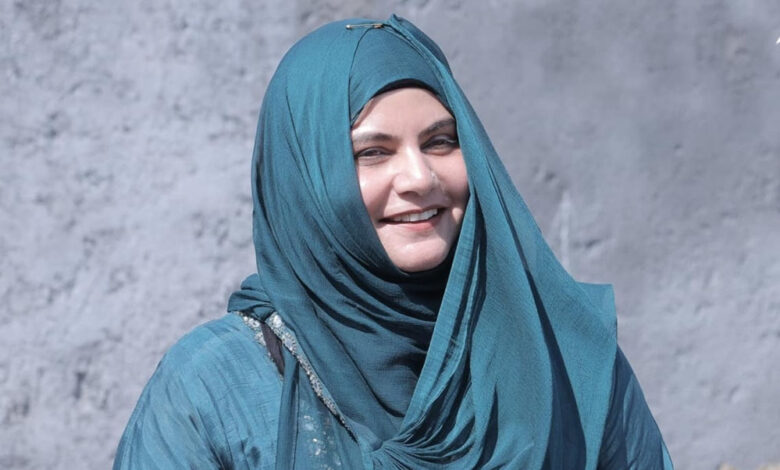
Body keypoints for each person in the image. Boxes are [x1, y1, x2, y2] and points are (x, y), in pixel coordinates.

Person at [113, 15, 673, 469]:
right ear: (304, 179)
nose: (420, 178)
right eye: (372, 152)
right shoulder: (215, 387)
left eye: (441, 142)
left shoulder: (565, 362)